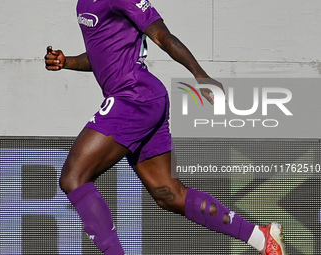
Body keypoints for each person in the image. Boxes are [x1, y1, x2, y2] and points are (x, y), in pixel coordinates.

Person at [44, 0, 286, 254]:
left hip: (134, 97)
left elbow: (162, 36)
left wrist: (200, 75)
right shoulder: (84, 4)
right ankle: (261, 238)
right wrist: (67, 61)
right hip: (142, 99)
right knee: (170, 195)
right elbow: (102, 55)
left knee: (74, 177)